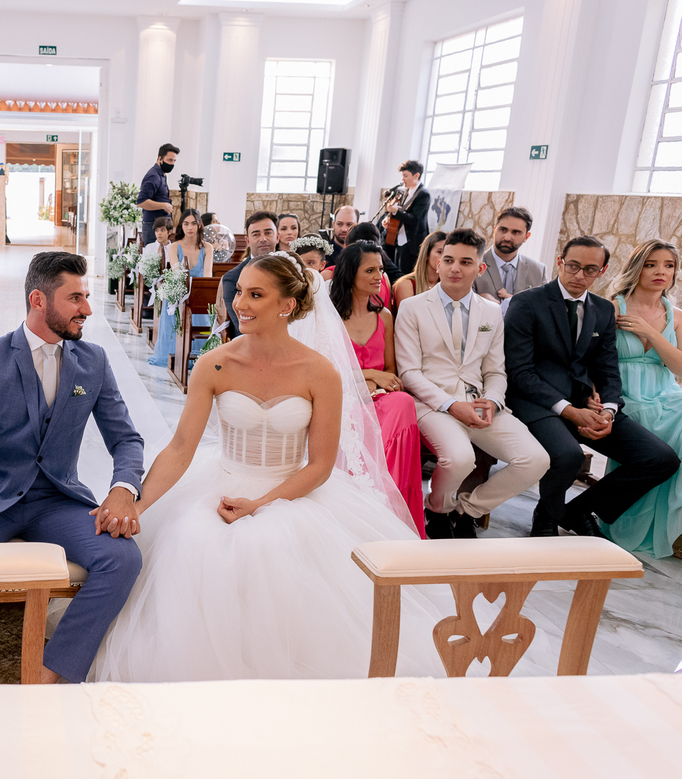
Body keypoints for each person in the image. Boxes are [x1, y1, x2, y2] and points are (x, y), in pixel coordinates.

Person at [93, 253, 445, 682]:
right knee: (196, 545)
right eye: (240, 291)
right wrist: (138, 505)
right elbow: (181, 448)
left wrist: (260, 504)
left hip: (293, 491)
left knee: (274, 556)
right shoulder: (215, 363)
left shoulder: (320, 373)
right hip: (220, 483)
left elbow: (320, 465)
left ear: (287, 305)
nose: (240, 304)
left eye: (256, 295)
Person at [0, 251, 144, 684]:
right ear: (38, 300)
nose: (87, 309)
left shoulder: (93, 361)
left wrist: (123, 489)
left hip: (56, 501)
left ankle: (50, 674)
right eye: (75, 298)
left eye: (86, 296)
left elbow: (126, 439)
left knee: (122, 558)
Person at [505, 236, 679, 537]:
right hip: (537, 403)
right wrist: (570, 411)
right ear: (560, 262)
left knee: (661, 459)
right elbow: (520, 372)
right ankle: (546, 515)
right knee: (569, 455)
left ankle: (578, 511)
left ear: (602, 271)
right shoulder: (526, 302)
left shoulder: (602, 310)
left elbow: (608, 369)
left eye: (590, 269)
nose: (579, 275)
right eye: (573, 266)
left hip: (588, 405)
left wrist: (609, 410)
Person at [394, 229, 549, 540]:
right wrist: (452, 405)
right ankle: (437, 510)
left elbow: (496, 371)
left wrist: (492, 400)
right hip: (432, 405)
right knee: (460, 458)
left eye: (465, 262)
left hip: (479, 403)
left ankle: (467, 510)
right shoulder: (412, 307)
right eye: (448, 259)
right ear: (438, 263)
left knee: (535, 460)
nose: (455, 268)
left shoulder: (491, 311)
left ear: (480, 268)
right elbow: (409, 372)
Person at [330, 242, 425, 536]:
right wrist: (369, 375)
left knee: (403, 402)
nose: (378, 277)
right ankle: (363, 502)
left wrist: (378, 382)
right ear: (350, 274)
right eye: (370, 270)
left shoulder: (384, 317)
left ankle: (391, 502)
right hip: (341, 397)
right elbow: (325, 373)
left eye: (380, 270)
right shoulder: (330, 319)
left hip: (380, 399)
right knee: (366, 414)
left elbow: (391, 373)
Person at [601, 240, 682, 558]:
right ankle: (624, 519)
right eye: (651, 264)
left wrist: (651, 332)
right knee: (647, 423)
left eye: (668, 265)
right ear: (637, 267)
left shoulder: (676, 315)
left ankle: (674, 527)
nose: (661, 271)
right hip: (623, 396)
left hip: (666, 394)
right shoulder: (612, 308)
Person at [149, 209, 212, 368]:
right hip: (178, 293)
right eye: (186, 223)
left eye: (193, 223)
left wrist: (201, 292)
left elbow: (207, 275)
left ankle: (201, 356)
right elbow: (177, 274)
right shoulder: (174, 247)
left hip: (199, 292)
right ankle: (175, 353)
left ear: (199, 225)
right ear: (181, 226)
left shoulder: (207, 247)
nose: (190, 227)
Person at [472, 207, 550, 315]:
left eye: (516, 232)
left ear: (526, 237)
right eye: (503, 230)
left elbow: (545, 311)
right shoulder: (473, 264)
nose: (507, 237)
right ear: (495, 230)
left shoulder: (538, 271)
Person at [216, 211, 279, 339]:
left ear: (277, 237)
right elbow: (242, 327)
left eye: (268, 233)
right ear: (247, 241)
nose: (263, 239)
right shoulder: (233, 278)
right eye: (256, 234)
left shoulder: (290, 271)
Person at [384, 160, 431, 274]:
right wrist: (388, 218)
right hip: (399, 239)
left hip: (413, 242)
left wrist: (395, 212)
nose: (403, 179)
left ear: (416, 175)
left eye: (406, 176)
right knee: (397, 273)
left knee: (407, 274)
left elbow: (414, 219)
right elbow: (400, 212)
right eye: (402, 176)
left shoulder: (423, 194)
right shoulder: (405, 192)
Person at [136, 143, 178, 247]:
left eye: (174, 161)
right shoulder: (153, 176)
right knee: (152, 255)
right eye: (169, 160)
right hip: (153, 227)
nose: (172, 164)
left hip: (161, 226)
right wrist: (163, 205)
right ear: (160, 159)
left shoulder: (161, 175)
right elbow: (141, 201)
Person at [393, 231, 447, 310]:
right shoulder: (406, 285)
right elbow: (409, 316)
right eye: (440, 252)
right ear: (427, 254)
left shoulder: (447, 286)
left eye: (448, 254)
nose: (445, 258)